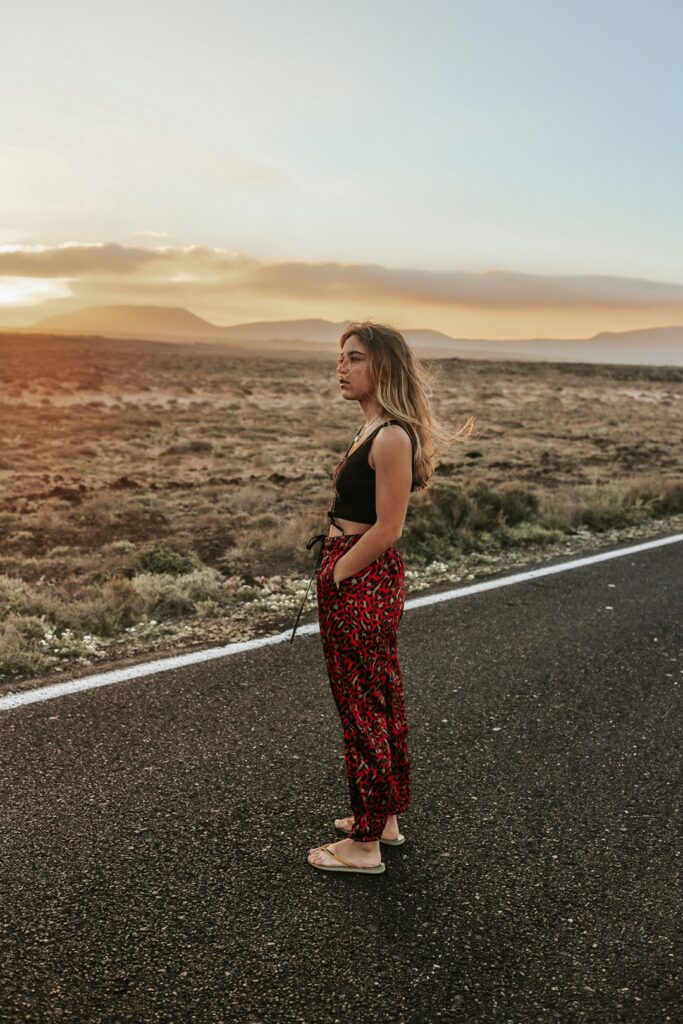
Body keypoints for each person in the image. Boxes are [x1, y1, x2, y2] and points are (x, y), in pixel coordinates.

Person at [295, 321, 475, 875]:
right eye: (340, 357)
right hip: (360, 574)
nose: (341, 367)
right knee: (377, 694)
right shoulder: (371, 428)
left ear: (384, 367)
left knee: (362, 703)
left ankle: (366, 844)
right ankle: (384, 817)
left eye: (354, 358)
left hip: (361, 576)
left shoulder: (391, 436)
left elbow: (389, 528)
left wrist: (337, 573)